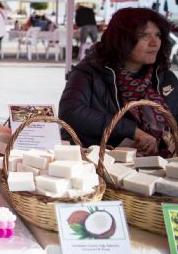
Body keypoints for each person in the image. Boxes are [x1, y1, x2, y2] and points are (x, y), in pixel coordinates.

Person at [59, 8, 178, 155]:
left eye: (158, 35)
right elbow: (70, 111)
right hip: (101, 163)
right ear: (122, 39)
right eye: (144, 36)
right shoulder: (89, 71)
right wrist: (132, 131)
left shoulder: (165, 77)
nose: (155, 43)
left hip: (159, 167)